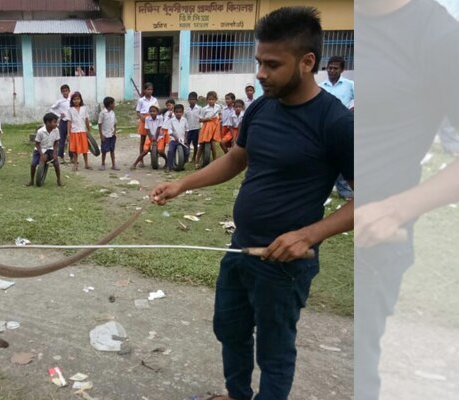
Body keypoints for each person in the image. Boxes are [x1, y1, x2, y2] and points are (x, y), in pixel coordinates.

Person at [151, 6, 353, 399]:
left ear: (307, 62)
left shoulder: (335, 122)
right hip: (242, 246)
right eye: (259, 61)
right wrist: (182, 185)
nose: (260, 73)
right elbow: (235, 159)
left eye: (272, 64)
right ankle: (237, 394)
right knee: (229, 329)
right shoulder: (262, 106)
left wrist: (308, 236)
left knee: (274, 351)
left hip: (283, 264)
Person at [354, 1, 459, 399]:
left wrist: (396, 209)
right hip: (315, 229)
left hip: (373, 242)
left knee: (354, 373)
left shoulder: (439, 38)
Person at [320, 55, 355, 200]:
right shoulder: (321, 87)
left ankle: (345, 191)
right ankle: (323, 190)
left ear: (342, 70)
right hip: (325, 127)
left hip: (343, 126)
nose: (332, 71)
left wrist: (351, 109)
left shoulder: (349, 84)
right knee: (324, 158)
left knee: (342, 156)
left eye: (335, 68)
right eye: (330, 68)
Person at [27, 113, 62, 187]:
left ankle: (59, 179)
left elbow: (56, 142)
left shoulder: (56, 130)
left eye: (57, 122)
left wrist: (55, 153)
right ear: (48, 122)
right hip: (40, 149)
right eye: (55, 122)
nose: (57, 124)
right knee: (33, 164)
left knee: (56, 164)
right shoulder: (40, 131)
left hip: (50, 149)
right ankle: (32, 180)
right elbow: (37, 143)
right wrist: (41, 154)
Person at [135, 82, 159, 167]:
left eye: (151, 89)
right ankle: (141, 161)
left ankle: (154, 158)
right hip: (144, 119)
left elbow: (157, 110)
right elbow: (138, 111)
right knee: (142, 140)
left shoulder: (154, 100)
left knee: (154, 139)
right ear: (144, 90)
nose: (150, 91)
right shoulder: (141, 100)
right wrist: (142, 117)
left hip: (153, 119)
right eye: (148, 89)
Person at [195, 91, 222, 168]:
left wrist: (219, 117)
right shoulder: (204, 109)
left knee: (213, 145)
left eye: (212, 99)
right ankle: (197, 162)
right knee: (202, 144)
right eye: (209, 99)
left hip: (214, 127)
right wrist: (207, 119)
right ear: (207, 100)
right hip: (206, 127)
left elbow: (220, 113)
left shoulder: (218, 107)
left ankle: (215, 161)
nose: (211, 101)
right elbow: (200, 120)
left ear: (215, 99)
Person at [67, 91, 92, 171]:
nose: (76, 101)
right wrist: (68, 133)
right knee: (74, 150)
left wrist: (89, 130)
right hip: (74, 132)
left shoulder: (84, 109)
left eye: (78, 99)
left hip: (82, 131)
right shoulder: (70, 110)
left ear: (81, 100)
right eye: (74, 99)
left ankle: (86, 164)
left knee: (85, 148)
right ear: (72, 100)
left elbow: (87, 120)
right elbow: (69, 122)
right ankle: (75, 164)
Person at [48, 84, 71, 163]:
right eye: (63, 91)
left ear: (69, 91)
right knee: (61, 139)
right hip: (63, 122)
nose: (65, 93)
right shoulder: (59, 102)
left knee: (71, 139)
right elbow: (51, 109)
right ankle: (60, 156)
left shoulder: (72, 100)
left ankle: (71, 157)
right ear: (61, 92)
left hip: (71, 122)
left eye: (66, 91)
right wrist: (58, 115)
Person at [165, 104, 189, 172]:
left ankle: (181, 165)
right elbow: (170, 131)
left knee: (187, 152)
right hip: (173, 140)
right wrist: (175, 137)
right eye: (176, 112)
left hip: (182, 140)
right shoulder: (171, 120)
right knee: (170, 151)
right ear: (174, 112)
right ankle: (169, 166)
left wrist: (185, 138)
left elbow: (187, 130)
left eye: (180, 112)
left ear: (182, 112)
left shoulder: (184, 120)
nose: (178, 113)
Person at [98, 96, 119, 171]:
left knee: (112, 150)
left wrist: (115, 131)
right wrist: (101, 135)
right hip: (105, 135)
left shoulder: (113, 113)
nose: (114, 105)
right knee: (104, 151)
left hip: (112, 135)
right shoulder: (102, 113)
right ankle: (103, 164)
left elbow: (115, 123)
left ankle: (113, 164)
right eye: (113, 103)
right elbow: (99, 124)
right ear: (110, 104)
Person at [185, 91, 201, 162]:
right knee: (187, 144)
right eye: (190, 99)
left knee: (195, 144)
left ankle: (194, 157)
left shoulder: (199, 109)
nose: (192, 101)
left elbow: (201, 119)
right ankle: (186, 157)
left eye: (193, 99)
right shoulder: (186, 110)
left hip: (196, 129)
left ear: (196, 100)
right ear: (188, 100)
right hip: (188, 129)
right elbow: (184, 120)